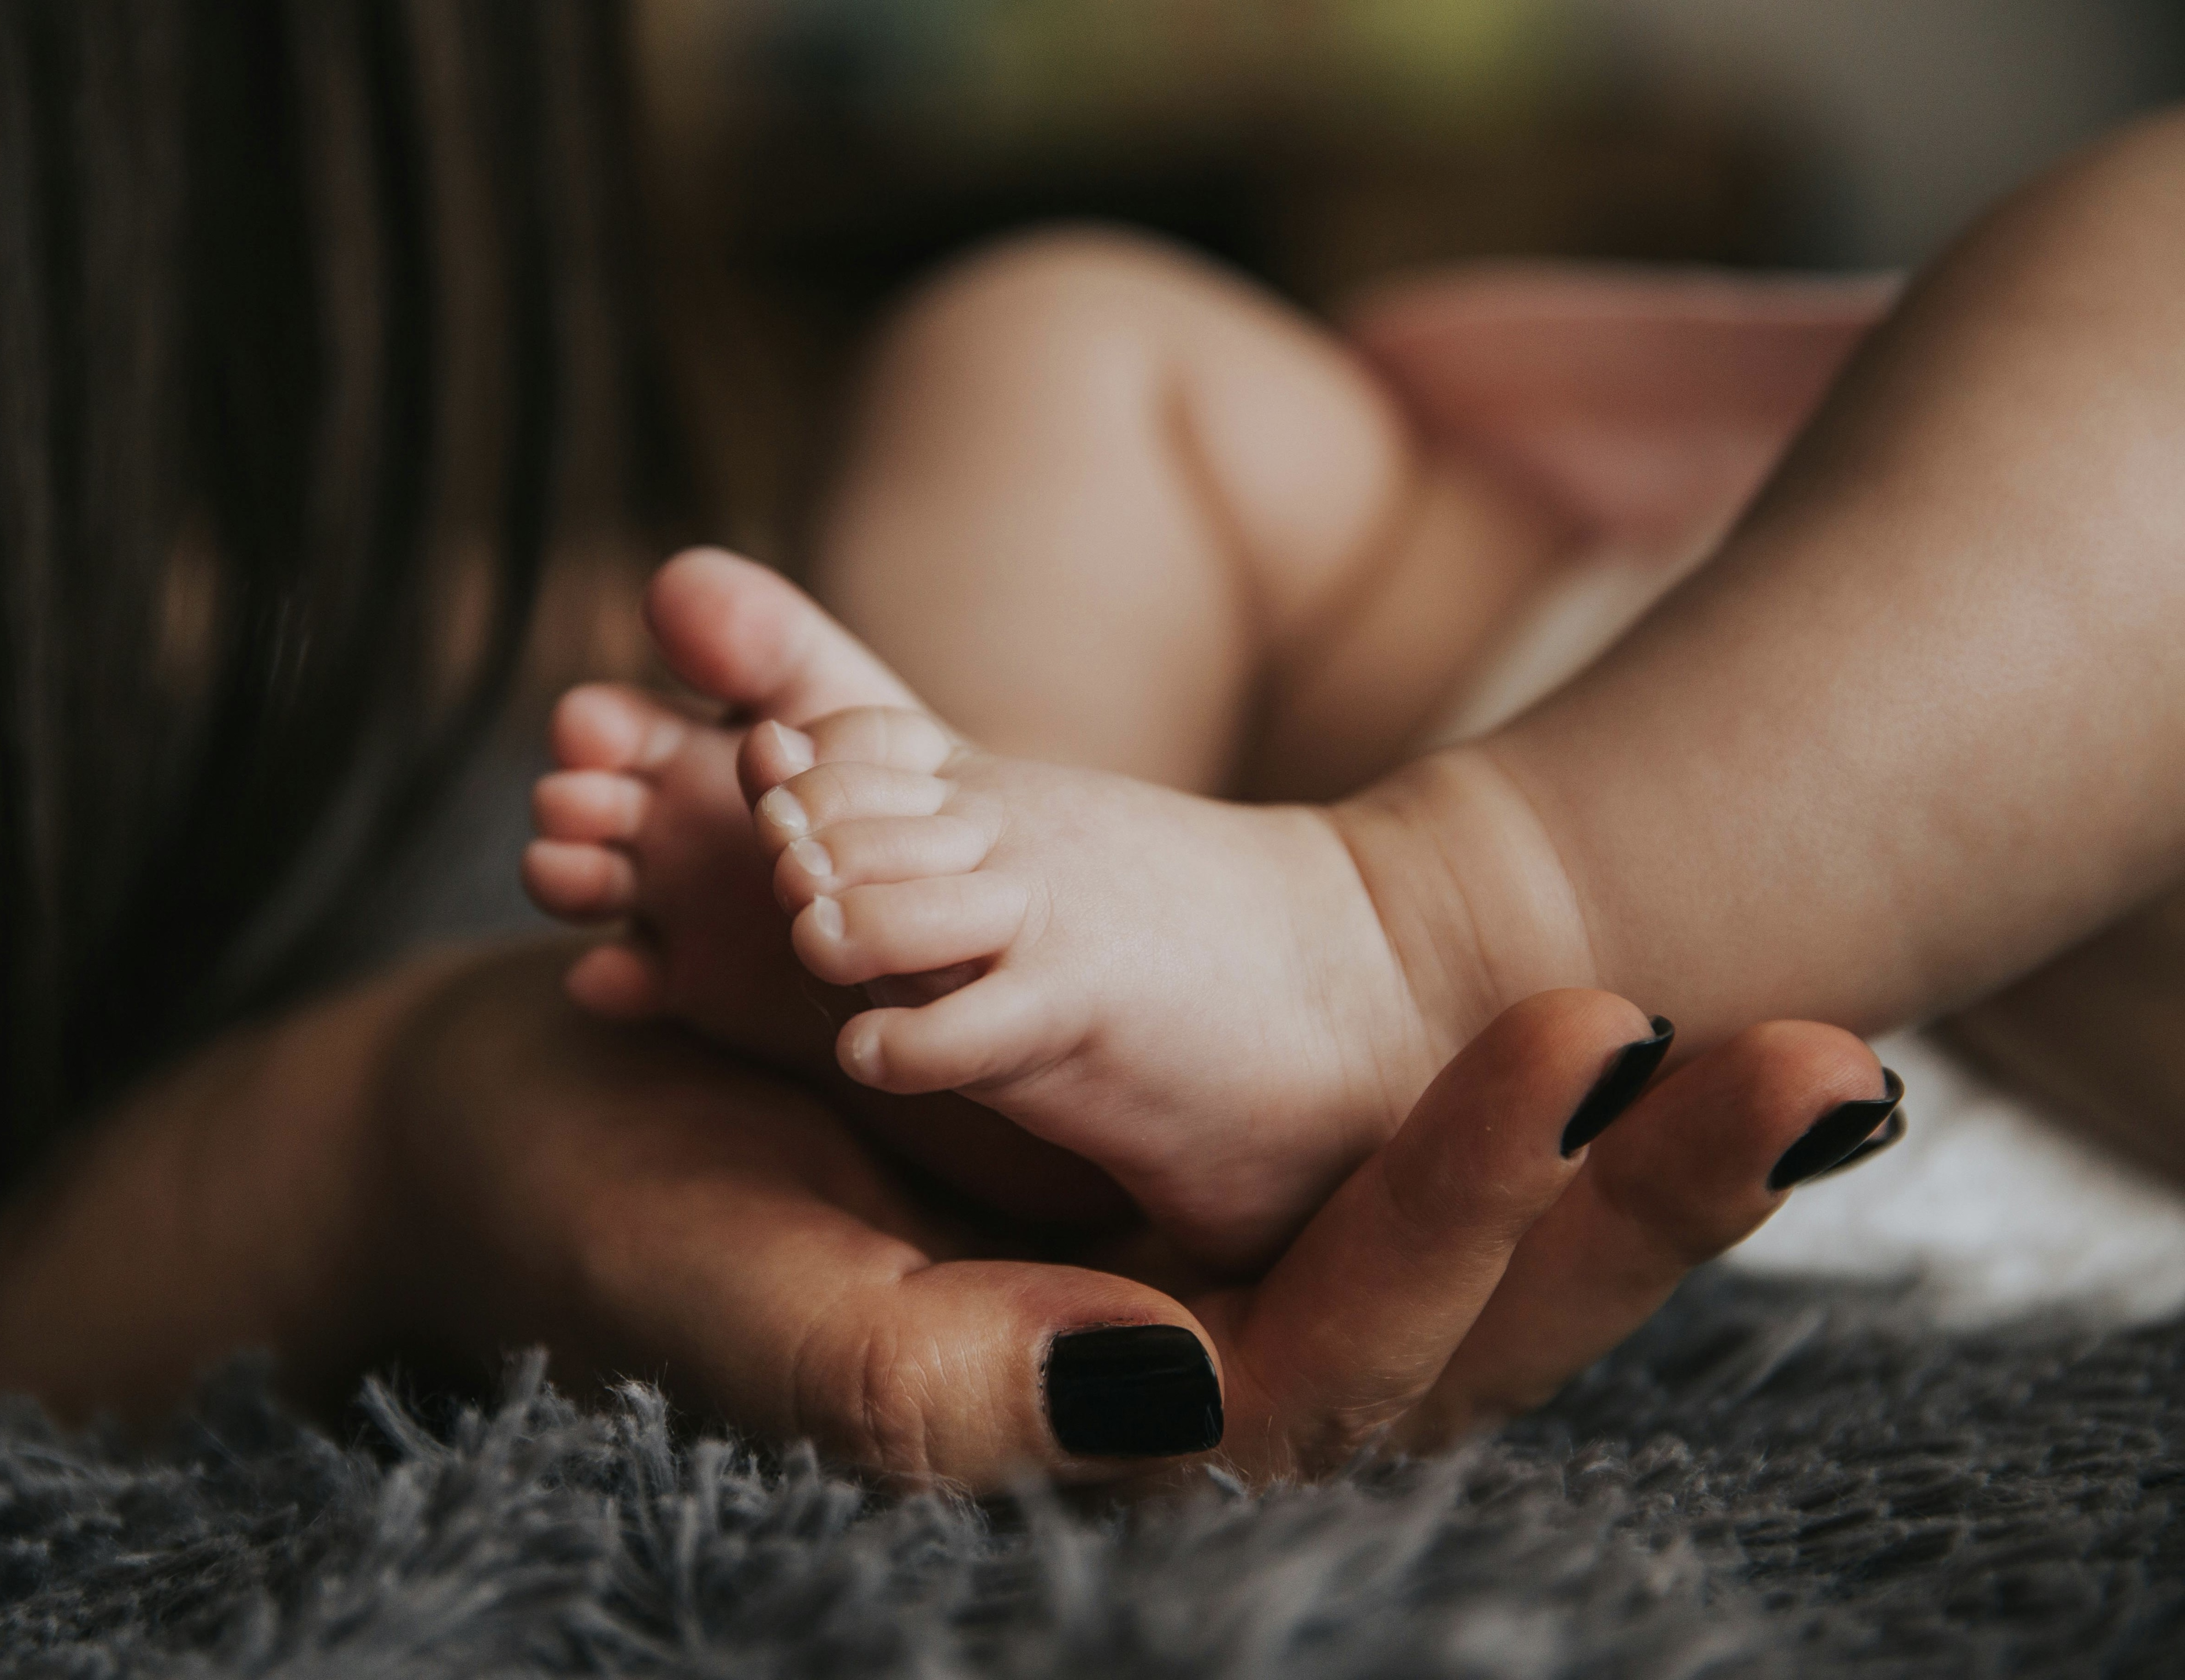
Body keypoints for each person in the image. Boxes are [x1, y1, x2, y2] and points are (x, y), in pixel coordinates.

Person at [0, 1, 1902, 1493]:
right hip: (1534, 660)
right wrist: (376, 1142)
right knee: (1048, 332)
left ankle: (1205, 936)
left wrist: (379, 1121)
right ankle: (1050, 928)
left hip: (1945, 782)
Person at [527, 107, 2185, 1278]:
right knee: (1060, 335)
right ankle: (1002, 986)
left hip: (2069, 1003)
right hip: (1633, 667)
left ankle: (1408, 940)